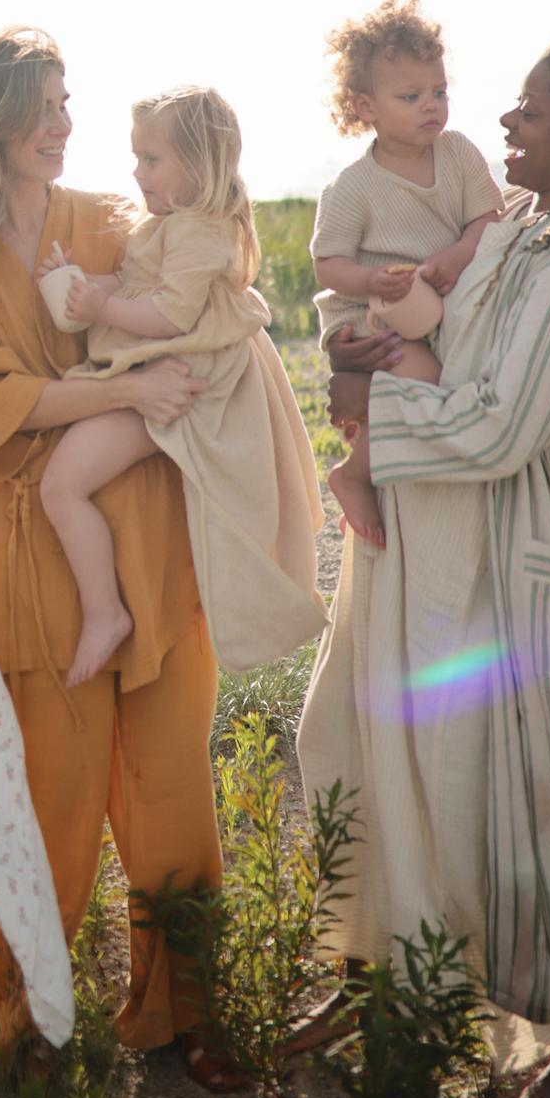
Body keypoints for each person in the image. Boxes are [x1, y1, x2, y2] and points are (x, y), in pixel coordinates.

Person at [296, 30, 550, 1098]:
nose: (505, 120)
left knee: (483, 798)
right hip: (418, 540)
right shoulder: (523, 229)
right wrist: (358, 363)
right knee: (361, 746)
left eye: (531, 106)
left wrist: (377, 402)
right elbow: (440, 344)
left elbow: (497, 425)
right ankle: (378, 971)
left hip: (479, 564)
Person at [0, 30, 245, 1091]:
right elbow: (8, 407)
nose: (63, 121)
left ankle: (188, 1008)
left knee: (174, 780)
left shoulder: (105, 218)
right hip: (24, 544)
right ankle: (24, 1020)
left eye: (65, 99)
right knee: (47, 792)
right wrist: (129, 389)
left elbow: (196, 292)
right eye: (42, 103)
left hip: (149, 525)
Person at [39, 84, 325, 688]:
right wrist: (85, 283)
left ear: (200, 164)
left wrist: (100, 305)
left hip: (184, 387)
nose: (137, 171)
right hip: (168, 376)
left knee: (63, 484)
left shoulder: (196, 232)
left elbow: (170, 315)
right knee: (64, 482)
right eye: (137, 157)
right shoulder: (175, 225)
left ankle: (104, 612)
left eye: (151, 159)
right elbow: (139, 283)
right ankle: (106, 611)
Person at [310, 0, 504, 544]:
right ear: (364, 107)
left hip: (429, 302)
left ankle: (395, 458)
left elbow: (488, 219)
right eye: (411, 94)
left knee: (431, 373)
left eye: (439, 92)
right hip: (368, 310)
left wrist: (456, 255)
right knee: (423, 377)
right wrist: (370, 280)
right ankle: (356, 474)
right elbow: (328, 264)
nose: (431, 106)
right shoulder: (354, 188)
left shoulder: (460, 154)